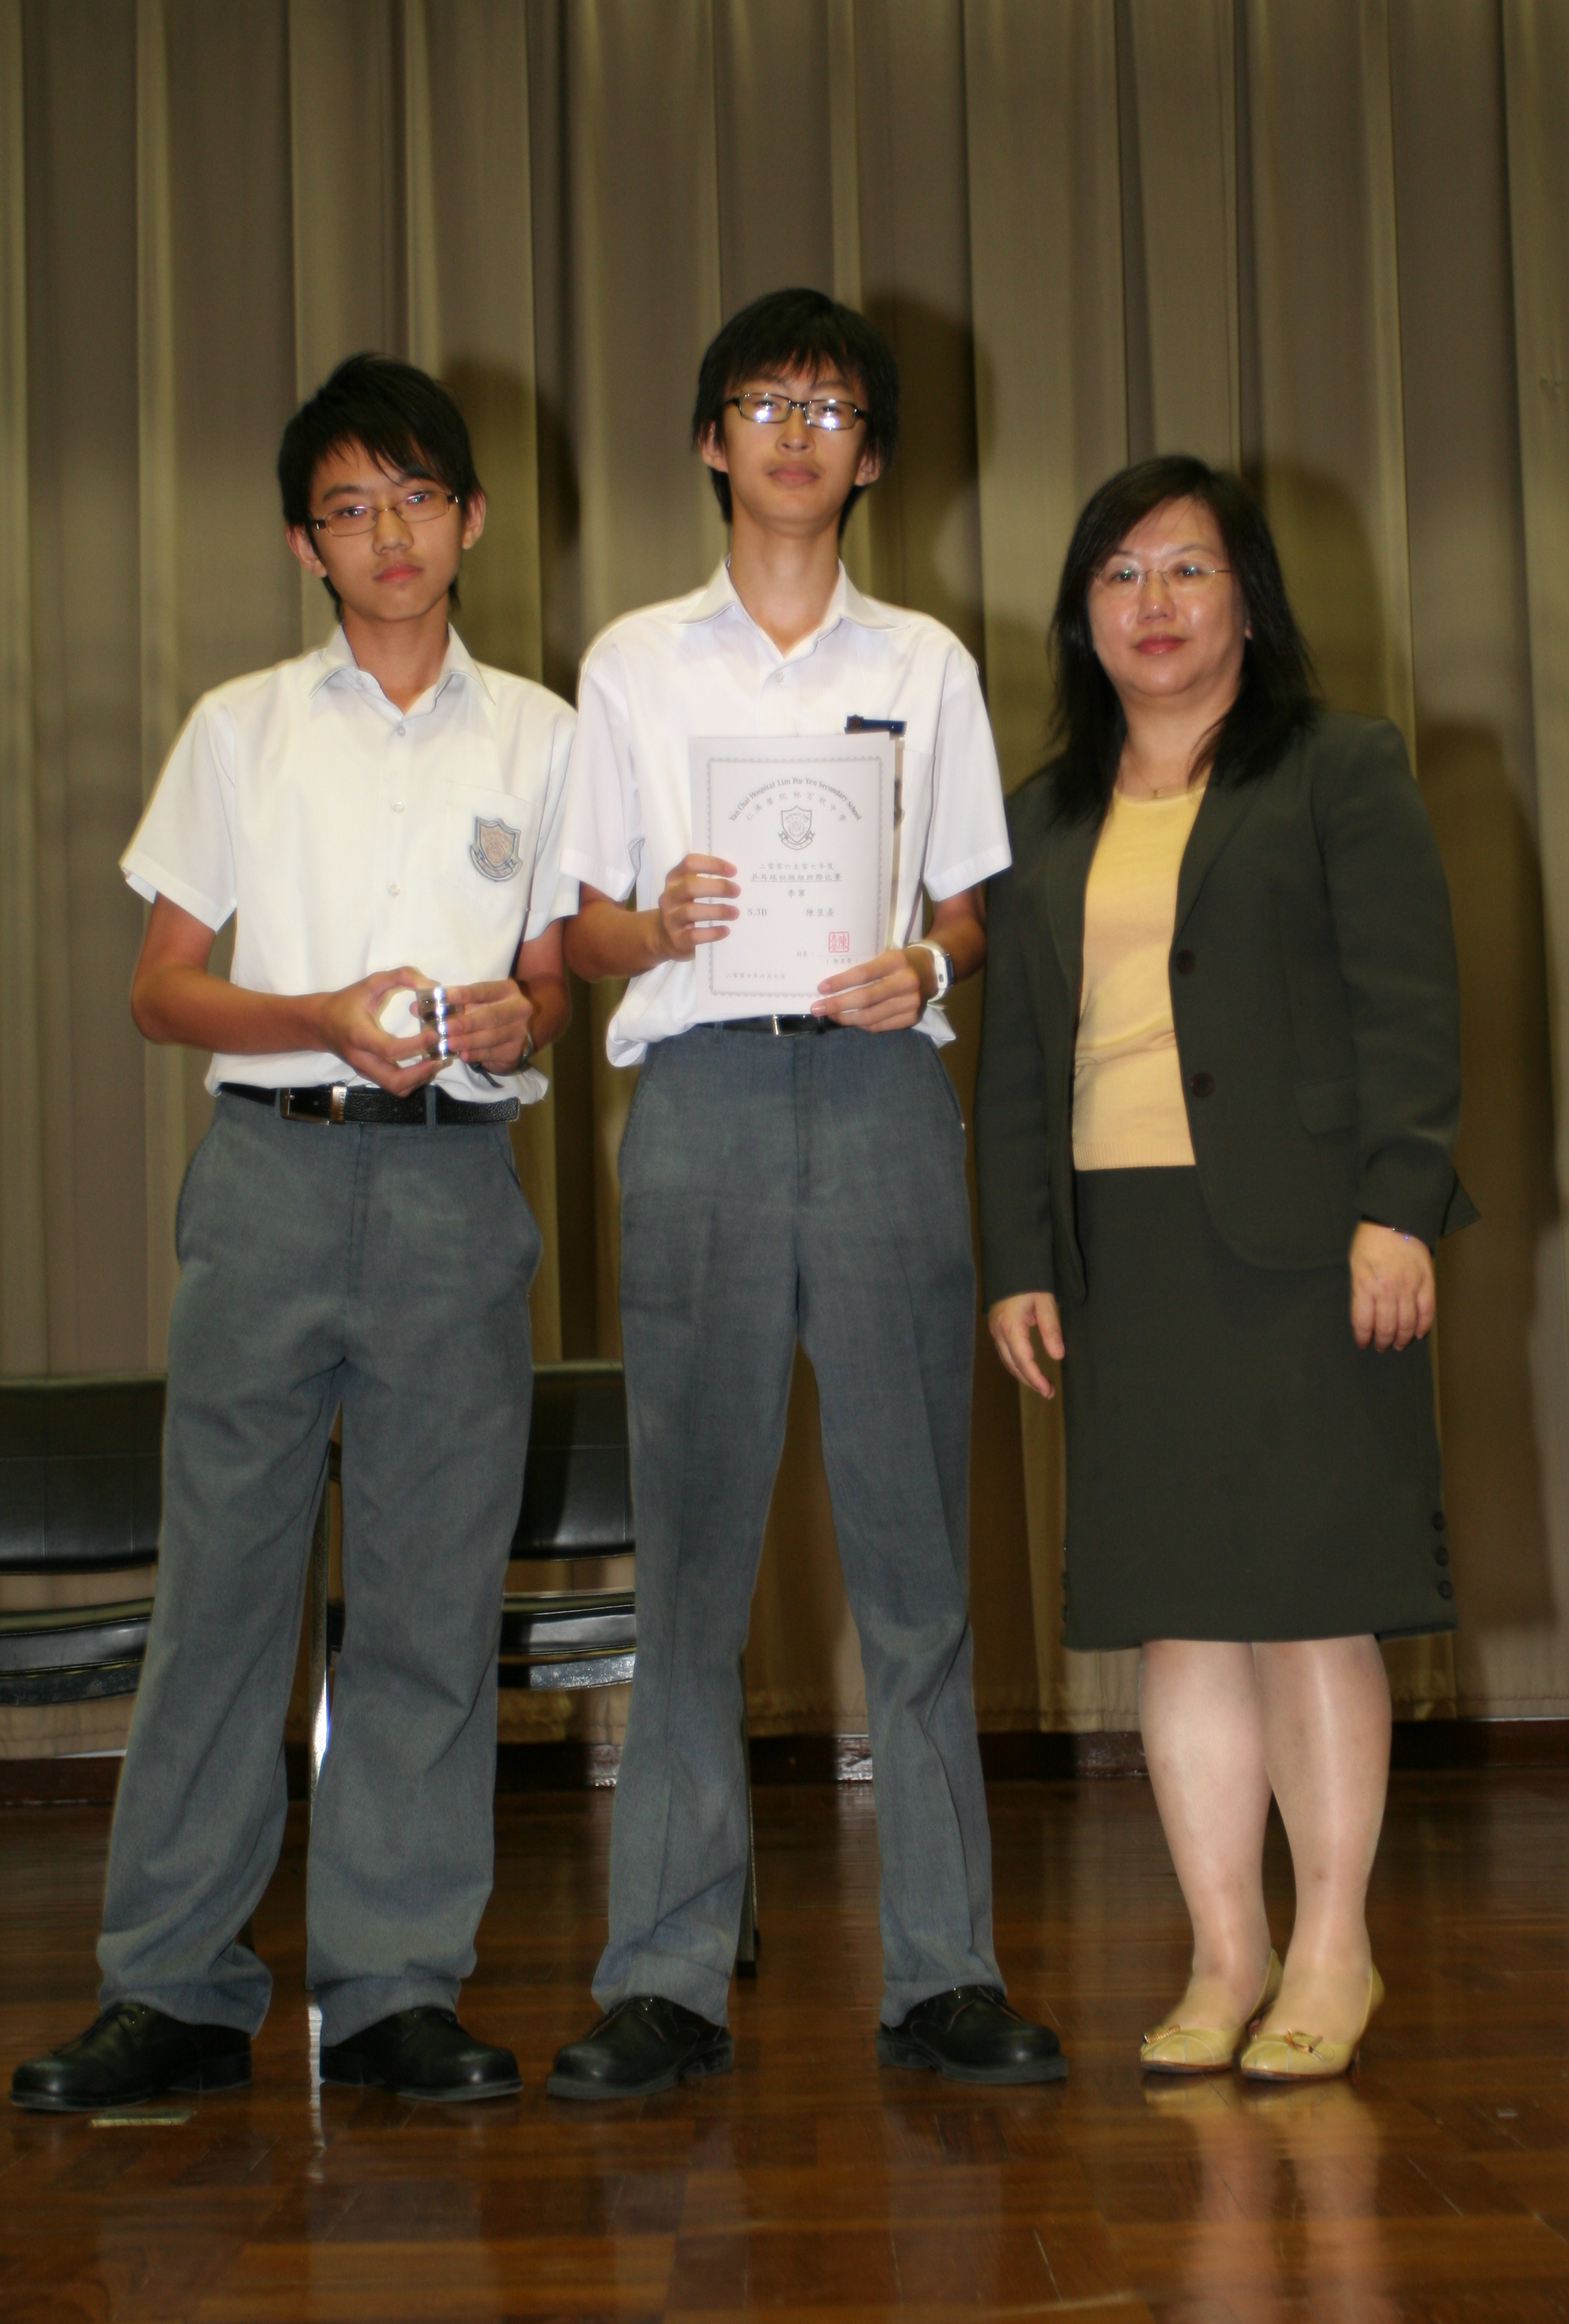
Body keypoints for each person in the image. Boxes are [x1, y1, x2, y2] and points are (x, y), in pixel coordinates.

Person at [11, 354, 575, 2113]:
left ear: (471, 518)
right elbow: (161, 989)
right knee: (223, 1595)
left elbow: (555, 978)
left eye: (416, 499)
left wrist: (521, 1016)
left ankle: (396, 1985)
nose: (387, 534)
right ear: (301, 545)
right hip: (268, 1179)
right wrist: (317, 1015)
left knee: (427, 1599)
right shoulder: (239, 726)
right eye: (348, 508)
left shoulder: (546, 734)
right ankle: (172, 1987)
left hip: (455, 1189)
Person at [546, 287, 1065, 2099]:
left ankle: (945, 1971)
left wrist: (923, 965)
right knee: (689, 1554)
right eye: (763, 402)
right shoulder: (633, 664)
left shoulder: (925, 664)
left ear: (872, 457)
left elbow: (971, 910)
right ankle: (666, 1975)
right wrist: (653, 925)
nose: (794, 432)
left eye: (829, 408)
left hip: (876, 1101)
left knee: (915, 1549)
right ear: (711, 440)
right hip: (695, 1096)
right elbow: (577, 930)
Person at [976, 454, 1474, 2084]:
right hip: (1122, 1252)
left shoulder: (1341, 766)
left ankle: (1332, 1948)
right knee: (1177, 1617)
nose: (1155, 603)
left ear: (1248, 599)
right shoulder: (1043, 813)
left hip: (1309, 1243)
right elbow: (1015, 1060)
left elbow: (1411, 1005)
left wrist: (1400, 1207)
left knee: (1310, 1604)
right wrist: (1017, 1257)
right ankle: (1223, 1951)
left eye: (1187, 568)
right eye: (1119, 574)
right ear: (1083, 614)